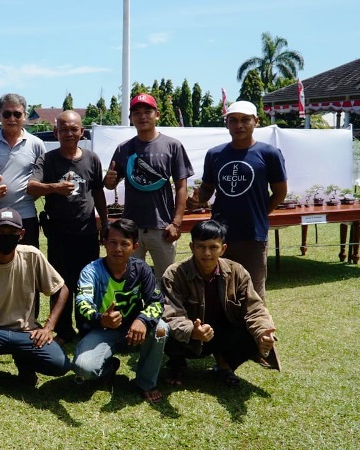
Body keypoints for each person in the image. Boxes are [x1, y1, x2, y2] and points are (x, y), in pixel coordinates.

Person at [0, 207, 70, 389]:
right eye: (0, 232)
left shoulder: (32, 256)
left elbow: (61, 289)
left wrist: (48, 327)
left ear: (21, 234)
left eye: (11, 232)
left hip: (25, 332)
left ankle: (25, 364)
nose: (5, 236)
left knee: (59, 364)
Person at [187, 100, 287, 300]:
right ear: (227, 124)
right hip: (219, 236)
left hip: (253, 235)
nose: (238, 125)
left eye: (245, 120)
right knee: (219, 288)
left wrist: (260, 212)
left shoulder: (269, 154)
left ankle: (255, 331)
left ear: (256, 122)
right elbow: (207, 188)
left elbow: (280, 192)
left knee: (253, 293)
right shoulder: (215, 154)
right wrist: (198, 200)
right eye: (233, 120)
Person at [161, 219, 279, 387]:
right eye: (201, 246)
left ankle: (224, 366)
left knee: (252, 333)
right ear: (192, 247)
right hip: (189, 337)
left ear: (223, 249)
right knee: (163, 329)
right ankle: (177, 363)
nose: (207, 253)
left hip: (222, 333)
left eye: (213, 247)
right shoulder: (174, 274)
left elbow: (255, 309)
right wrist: (191, 331)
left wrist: (263, 333)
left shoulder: (237, 272)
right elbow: (171, 313)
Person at [27, 110, 107, 343]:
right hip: (59, 234)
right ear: (56, 132)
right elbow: (31, 187)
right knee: (60, 283)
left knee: (86, 282)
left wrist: (105, 223)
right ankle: (63, 330)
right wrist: (54, 187)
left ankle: (85, 327)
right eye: (64, 129)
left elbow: (99, 192)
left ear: (82, 132)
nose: (69, 133)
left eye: (74, 129)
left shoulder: (92, 158)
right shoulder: (48, 160)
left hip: (87, 232)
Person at [72, 218, 168, 403]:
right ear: (104, 242)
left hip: (134, 330)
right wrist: (101, 318)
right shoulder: (91, 271)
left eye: (125, 243)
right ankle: (109, 366)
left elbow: (156, 302)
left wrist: (141, 320)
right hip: (102, 330)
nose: (118, 248)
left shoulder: (142, 269)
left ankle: (146, 383)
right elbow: (82, 303)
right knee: (84, 368)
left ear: (135, 246)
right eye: (113, 242)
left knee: (162, 328)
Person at [103, 93, 193, 284]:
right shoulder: (124, 148)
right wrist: (108, 180)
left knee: (167, 281)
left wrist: (176, 223)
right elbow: (111, 183)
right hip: (131, 229)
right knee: (131, 281)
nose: (142, 116)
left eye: (147, 111)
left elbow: (181, 187)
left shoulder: (172, 146)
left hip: (163, 228)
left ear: (157, 114)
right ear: (131, 118)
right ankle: (136, 315)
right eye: (137, 112)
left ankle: (167, 315)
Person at [0, 93, 46, 248]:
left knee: (27, 265)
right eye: (7, 114)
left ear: (25, 115)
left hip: (26, 216)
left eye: (17, 114)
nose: (12, 119)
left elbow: (42, 180)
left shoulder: (37, 144)